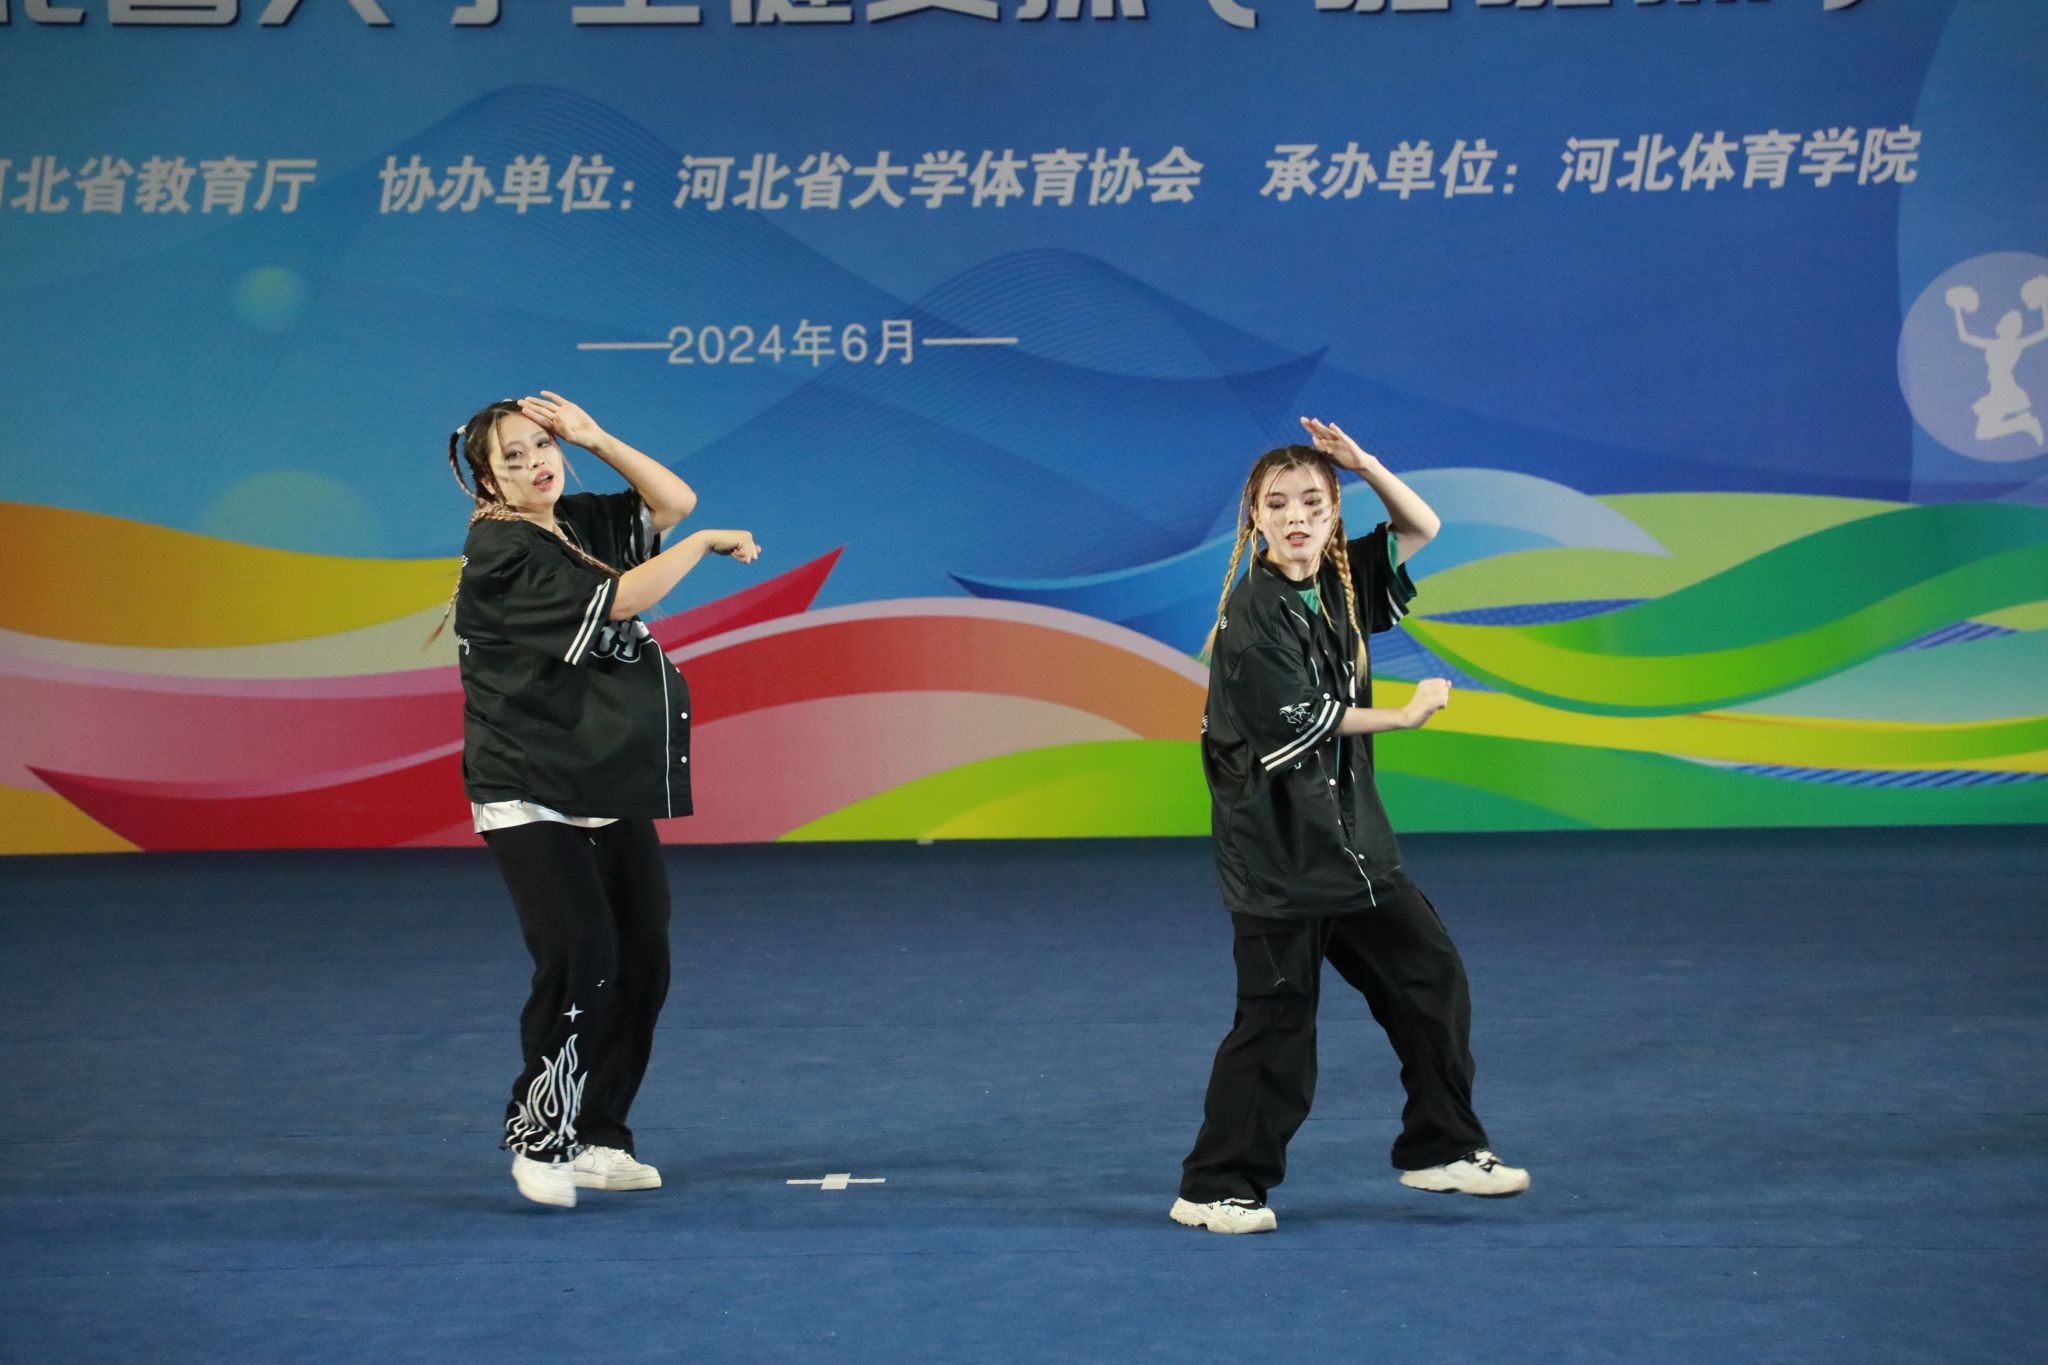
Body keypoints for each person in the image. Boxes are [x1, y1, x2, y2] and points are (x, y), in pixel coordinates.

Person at [1170, 417, 1528, 1235]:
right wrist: (1403, 715)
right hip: (1279, 859)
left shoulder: (1341, 580)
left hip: (1355, 849)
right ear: (1255, 519)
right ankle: (1215, 1184)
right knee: (1278, 1024)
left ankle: (1441, 1147)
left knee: (1430, 977)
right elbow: (1305, 719)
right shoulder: (1251, 616)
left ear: (1333, 511)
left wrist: (1363, 462)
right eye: (1277, 504)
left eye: (1312, 501)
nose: (1295, 516)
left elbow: (1421, 525)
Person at [443, 391, 760, 1209]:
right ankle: (539, 1134)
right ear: (488, 481)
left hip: (601, 780)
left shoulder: (573, 522)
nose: (535, 463)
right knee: (583, 952)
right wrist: (700, 547)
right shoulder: (501, 551)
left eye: (542, 445)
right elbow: (621, 599)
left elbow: (672, 501)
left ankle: (599, 1135)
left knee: (642, 958)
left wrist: (595, 437)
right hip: (528, 785)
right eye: (513, 458)